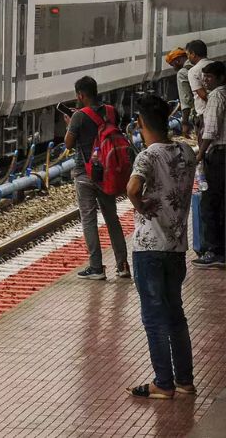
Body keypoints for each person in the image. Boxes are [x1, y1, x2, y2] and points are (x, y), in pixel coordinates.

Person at [125, 93, 197, 399]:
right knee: (175, 314)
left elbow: (131, 188)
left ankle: (163, 383)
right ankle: (184, 380)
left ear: (140, 122)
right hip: (177, 247)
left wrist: (140, 206)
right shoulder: (185, 150)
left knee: (153, 317)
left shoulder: (147, 156)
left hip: (149, 247)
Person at [64, 75, 129, 280]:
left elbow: (68, 144)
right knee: (112, 218)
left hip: (86, 174)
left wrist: (70, 123)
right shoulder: (111, 111)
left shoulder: (79, 117)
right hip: (108, 172)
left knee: (89, 219)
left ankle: (96, 267)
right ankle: (123, 265)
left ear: (81, 95)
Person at [194, 60, 226, 268]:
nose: (205, 81)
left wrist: (200, 154)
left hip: (218, 155)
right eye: (204, 77)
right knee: (222, 203)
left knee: (210, 203)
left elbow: (211, 130)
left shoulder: (216, 96)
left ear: (221, 78)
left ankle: (214, 251)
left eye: (210, 77)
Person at [165, 48, 194, 136]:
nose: (174, 68)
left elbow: (186, 100)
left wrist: (184, 122)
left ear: (177, 61)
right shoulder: (197, 65)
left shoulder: (182, 73)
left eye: (173, 64)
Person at [185, 39, 211, 123]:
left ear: (193, 54)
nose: (188, 58)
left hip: (205, 113)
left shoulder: (193, 71)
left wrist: (214, 104)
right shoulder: (216, 65)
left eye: (188, 54)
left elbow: (202, 95)